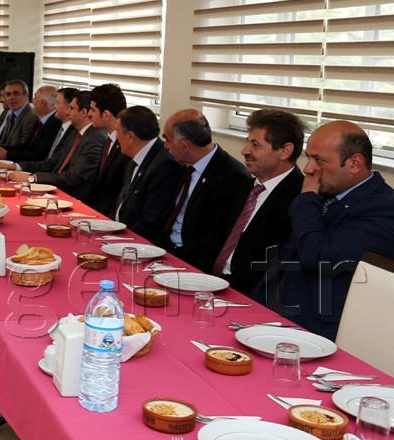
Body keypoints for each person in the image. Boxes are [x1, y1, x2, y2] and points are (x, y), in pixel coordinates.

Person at [256, 120, 394, 339]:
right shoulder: (328, 192)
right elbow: (286, 257)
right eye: (308, 158)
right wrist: (253, 303)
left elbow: (319, 259)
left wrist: (306, 199)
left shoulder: (384, 208)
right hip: (276, 313)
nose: (308, 169)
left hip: (318, 332)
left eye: (319, 160)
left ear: (355, 163)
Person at [216, 109, 305, 295]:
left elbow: (277, 269)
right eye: (247, 142)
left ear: (285, 151)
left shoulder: (300, 199)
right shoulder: (246, 185)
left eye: (255, 145)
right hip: (215, 279)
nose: (244, 151)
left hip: (252, 294)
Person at [161, 108, 253, 275]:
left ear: (184, 145)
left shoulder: (232, 176)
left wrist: (171, 258)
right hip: (165, 249)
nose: (165, 145)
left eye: (167, 139)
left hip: (192, 263)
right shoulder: (184, 164)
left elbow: (215, 238)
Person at [18, 90, 106, 203]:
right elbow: (52, 162)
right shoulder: (75, 133)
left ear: (83, 112)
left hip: (73, 198)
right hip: (55, 191)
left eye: (71, 108)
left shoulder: (96, 137)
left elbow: (74, 177)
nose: (67, 112)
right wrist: (18, 167)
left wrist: (33, 178)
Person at [111, 106, 180, 247]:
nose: (116, 136)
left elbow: (150, 221)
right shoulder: (135, 157)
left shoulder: (164, 165)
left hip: (137, 244)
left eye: (117, 131)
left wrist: (118, 240)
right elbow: (120, 204)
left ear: (130, 137)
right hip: (118, 233)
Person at [86, 83, 132, 216]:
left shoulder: (126, 146)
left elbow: (118, 193)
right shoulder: (109, 140)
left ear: (106, 114)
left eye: (93, 110)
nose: (89, 114)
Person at [0, 84, 61, 163]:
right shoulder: (42, 122)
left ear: (43, 103)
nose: (32, 101)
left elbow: (40, 155)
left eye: (35, 98)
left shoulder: (54, 124)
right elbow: (24, 147)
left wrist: (7, 154)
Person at [0, 79, 36, 149]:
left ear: (26, 95)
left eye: (16, 94)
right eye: (8, 94)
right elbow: (5, 143)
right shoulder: (11, 114)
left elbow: (24, 148)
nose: (11, 98)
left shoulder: (31, 117)